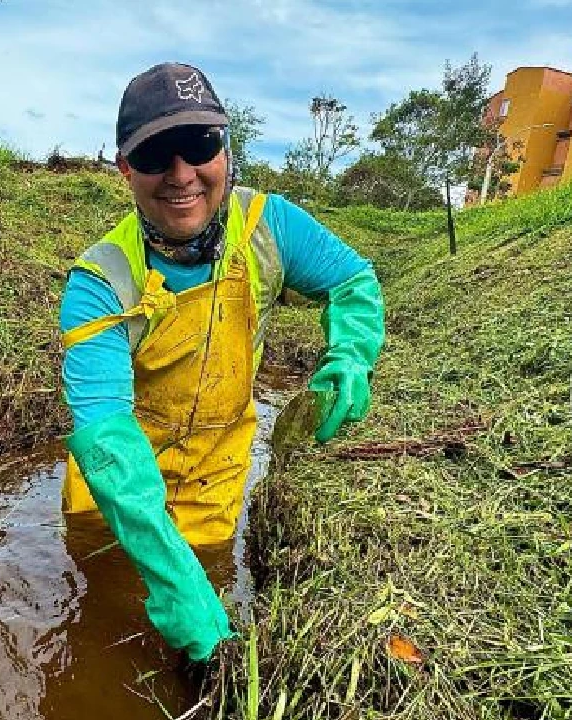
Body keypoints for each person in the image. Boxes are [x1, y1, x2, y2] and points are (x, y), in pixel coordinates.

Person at [58, 62, 385, 664]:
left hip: (217, 473)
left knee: (206, 601)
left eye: (198, 146)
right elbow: (104, 431)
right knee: (100, 620)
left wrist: (351, 354)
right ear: (125, 169)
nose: (181, 175)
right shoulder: (101, 279)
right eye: (157, 156)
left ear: (225, 149)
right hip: (117, 493)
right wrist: (167, 575)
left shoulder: (270, 227)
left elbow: (351, 280)